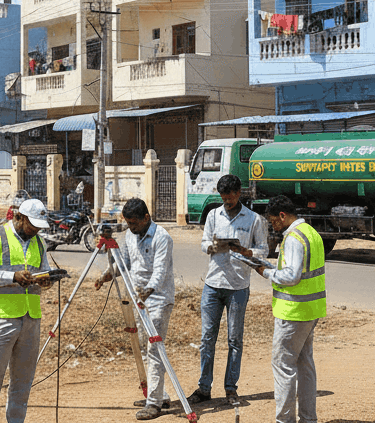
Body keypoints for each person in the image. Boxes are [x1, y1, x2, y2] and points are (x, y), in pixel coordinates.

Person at [188, 174, 269, 406]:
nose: (227, 202)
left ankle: (231, 388)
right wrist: (213, 246)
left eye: (230, 198)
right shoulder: (214, 214)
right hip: (213, 285)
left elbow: (263, 249)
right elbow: (204, 243)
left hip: (238, 287)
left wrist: (247, 252)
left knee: (234, 340)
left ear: (238, 193)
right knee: (207, 339)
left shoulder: (253, 219)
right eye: (223, 198)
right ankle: (204, 388)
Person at [0, 198, 53, 423]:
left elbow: (43, 271)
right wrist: (12, 277)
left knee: (23, 380)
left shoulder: (39, 242)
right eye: (32, 224)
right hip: (2, 317)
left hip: (30, 318)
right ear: (19, 217)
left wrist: (47, 280)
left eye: (39, 226)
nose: (35, 230)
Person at [95, 198, 175, 421]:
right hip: (140, 300)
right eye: (128, 223)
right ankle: (159, 394)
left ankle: (154, 404)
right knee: (145, 348)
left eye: (134, 223)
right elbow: (124, 262)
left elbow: (160, 272)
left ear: (146, 218)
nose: (131, 227)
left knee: (155, 350)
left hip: (158, 299)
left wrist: (147, 291)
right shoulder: (131, 235)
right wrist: (106, 276)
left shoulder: (162, 238)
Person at [254, 195, 327, 423]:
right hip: (310, 310)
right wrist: (265, 264)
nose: (273, 226)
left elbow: (292, 276)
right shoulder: (310, 233)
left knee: (283, 366)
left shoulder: (293, 238)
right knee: (305, 365)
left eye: (274, 221)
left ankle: (284, 420)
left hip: (292, 312)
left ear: (283, 216)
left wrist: (266, 273)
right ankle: (308, 419)